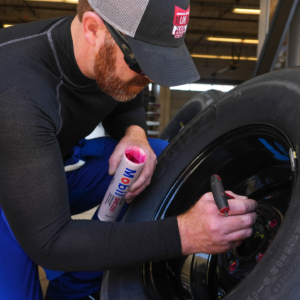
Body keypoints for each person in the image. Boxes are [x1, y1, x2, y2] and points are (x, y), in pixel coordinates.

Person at [0, 0, 257, 299]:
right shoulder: (17, 96)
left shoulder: (104, 47)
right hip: (9, 187)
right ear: (93, 29)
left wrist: (134, 133)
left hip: (51, 161)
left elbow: (127, 93)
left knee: (156, 160)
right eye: (142, 63)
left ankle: (76, 290)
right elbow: (50, 244)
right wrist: (186, 234)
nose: (148, 77)